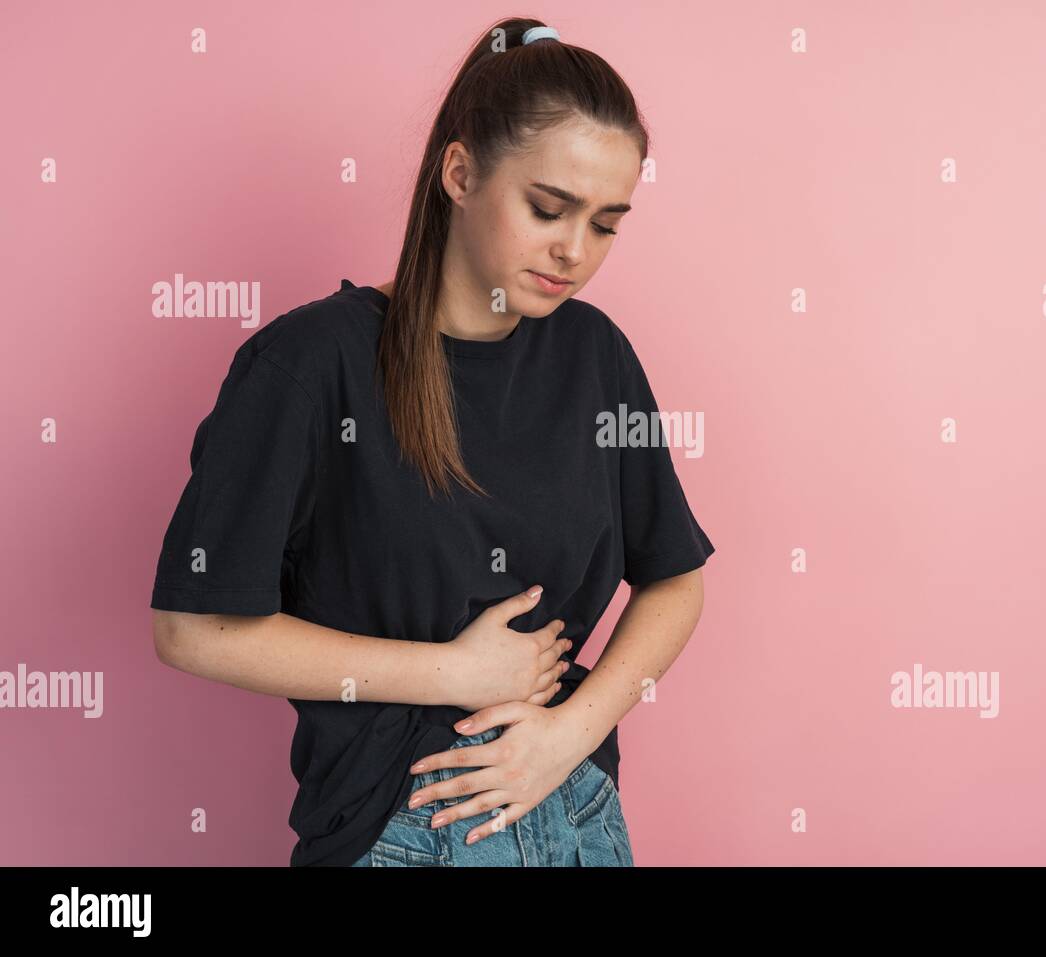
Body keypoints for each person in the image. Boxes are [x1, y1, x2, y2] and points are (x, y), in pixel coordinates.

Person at [148, 17, 715, 867]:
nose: (573, 249)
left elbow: (676, 579)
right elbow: (189, 629)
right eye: (547, 207)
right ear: (459, 173)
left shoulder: (596, 355)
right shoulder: (309, 365)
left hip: (579, 815)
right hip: (402, 828)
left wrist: (569, 733)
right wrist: (451, 673)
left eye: (605, 223)